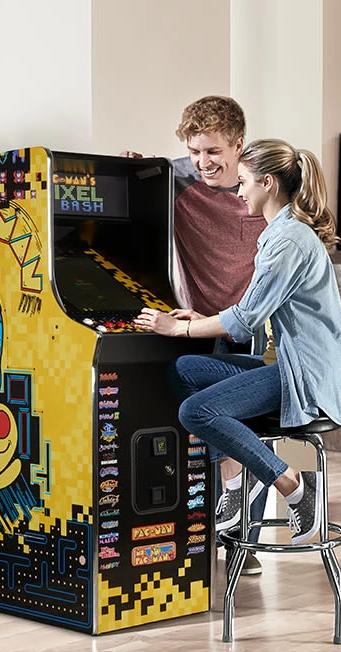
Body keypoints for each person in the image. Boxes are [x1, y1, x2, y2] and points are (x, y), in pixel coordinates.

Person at [132, 138, 341, 545]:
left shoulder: (288, 242)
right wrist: (202, 319)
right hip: (290, 363)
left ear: (268, 183)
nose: (238, 192)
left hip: (304, 374)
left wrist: (178, 329)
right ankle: (234, 482)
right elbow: (251, 313)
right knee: (185, 369)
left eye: (244, 181)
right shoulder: (281, 233)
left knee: (196, 411)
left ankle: (293, 484)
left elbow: (245, 321)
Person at [125, 96, 270, 573]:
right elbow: (133, 185)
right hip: (198, 325)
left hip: (253, 327)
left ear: (238, 145)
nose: (203, 162)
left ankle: (245, 548)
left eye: (213, 152)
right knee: (210, 424)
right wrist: (133, 170)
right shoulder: (177, 178)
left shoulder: (263, 186)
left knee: (251, 431)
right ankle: (217, 529)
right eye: (194, 151)